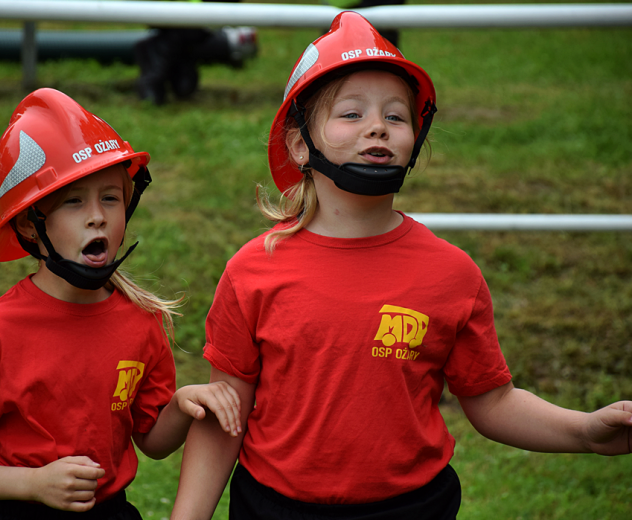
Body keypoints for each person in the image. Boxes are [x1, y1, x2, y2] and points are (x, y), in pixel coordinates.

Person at [170, 11, 632, 520]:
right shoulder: (254, 270)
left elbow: (494, 402)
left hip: (414, 507)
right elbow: (225, 412)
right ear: (301, 144)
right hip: (274, 507)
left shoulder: (451, 273)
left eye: (396, 116)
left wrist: (585, 431)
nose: (378, 127)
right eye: (351, 114)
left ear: (416, 137)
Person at [0, 88, 242, 519]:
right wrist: (32, 484)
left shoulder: (142, 321)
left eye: (110, 197)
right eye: (73, 200)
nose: (97, 215)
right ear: (30, 224)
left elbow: (153, 442)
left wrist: (180, 405)